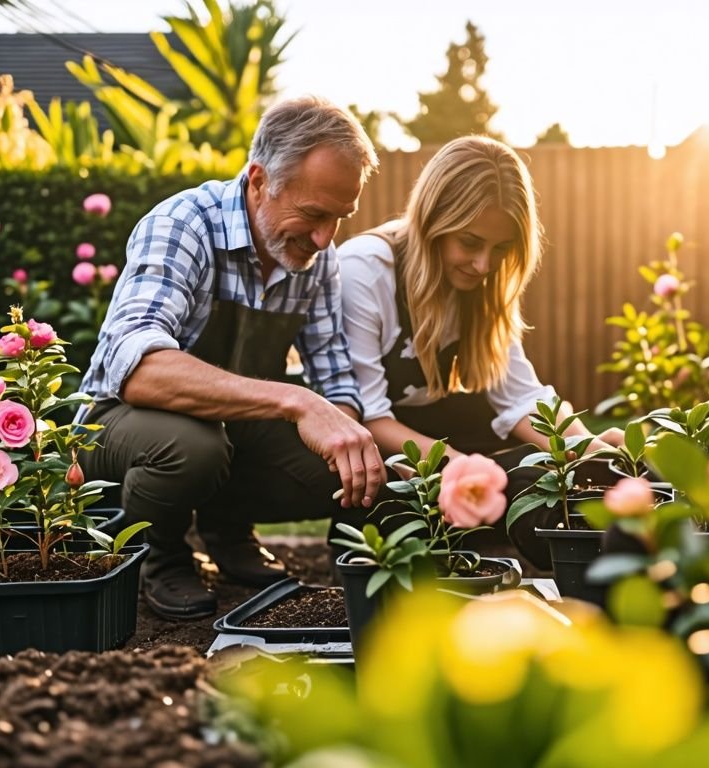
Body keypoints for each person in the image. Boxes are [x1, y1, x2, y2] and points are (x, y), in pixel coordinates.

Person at [78, 96, 386, 620]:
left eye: (339, 218)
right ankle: (158, 553)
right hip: (115, 424)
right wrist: (293, 399)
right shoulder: (183, 224)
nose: (324, 238)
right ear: (260, 180)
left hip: (228, 426)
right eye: (314, 214)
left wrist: (344, 435)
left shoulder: (316, 257)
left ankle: (227, 530)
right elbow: (137, 368)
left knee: (343, 468)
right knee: (192, 448)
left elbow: (336, 382)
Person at [337, 135, 620, 568]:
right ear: (434, 221)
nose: (484, 266)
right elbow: (371, 417)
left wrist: (591, 452)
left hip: (463, 456)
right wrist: (471, 473)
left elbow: (523, 399)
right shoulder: (366, 270)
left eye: (501, 249)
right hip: (396, 471)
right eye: (469, 242)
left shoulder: (484, 286)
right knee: (406, 532)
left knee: (546, 473)